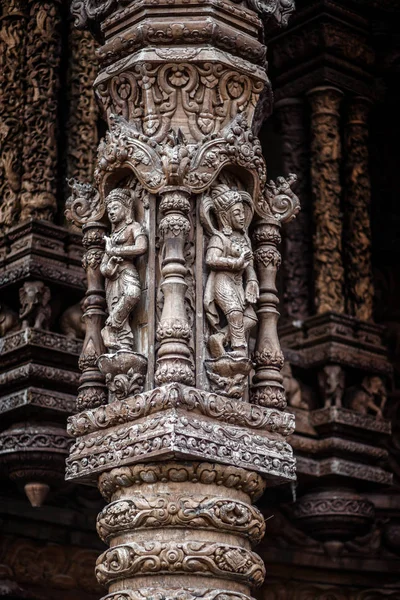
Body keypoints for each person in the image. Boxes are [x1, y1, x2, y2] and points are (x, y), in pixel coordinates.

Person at [203, 184, 259, 358]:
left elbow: (249, 265)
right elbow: (211, 259)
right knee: (234, 312)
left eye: (242, 212)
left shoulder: (243, 238)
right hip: (222, 280)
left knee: (250, 317)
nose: (242, 217)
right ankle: (239, 349)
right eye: (236, 213)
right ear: (225, 217)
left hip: (237, 283)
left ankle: (219, 338)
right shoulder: (219, 237)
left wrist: (252, 281)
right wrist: (234, 263)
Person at [100, 188, 147, 352]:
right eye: (109, 210)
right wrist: (109, 269)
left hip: (128, 271)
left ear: (126, 208)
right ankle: (123, 346)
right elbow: (103, 266)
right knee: (116, 306)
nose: (111, 213)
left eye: (115, 208)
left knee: (133, 293)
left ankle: (111, 326)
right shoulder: (111, 237)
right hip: (113, 279)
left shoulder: (133, 227)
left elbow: (142, 247)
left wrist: (117, 251)